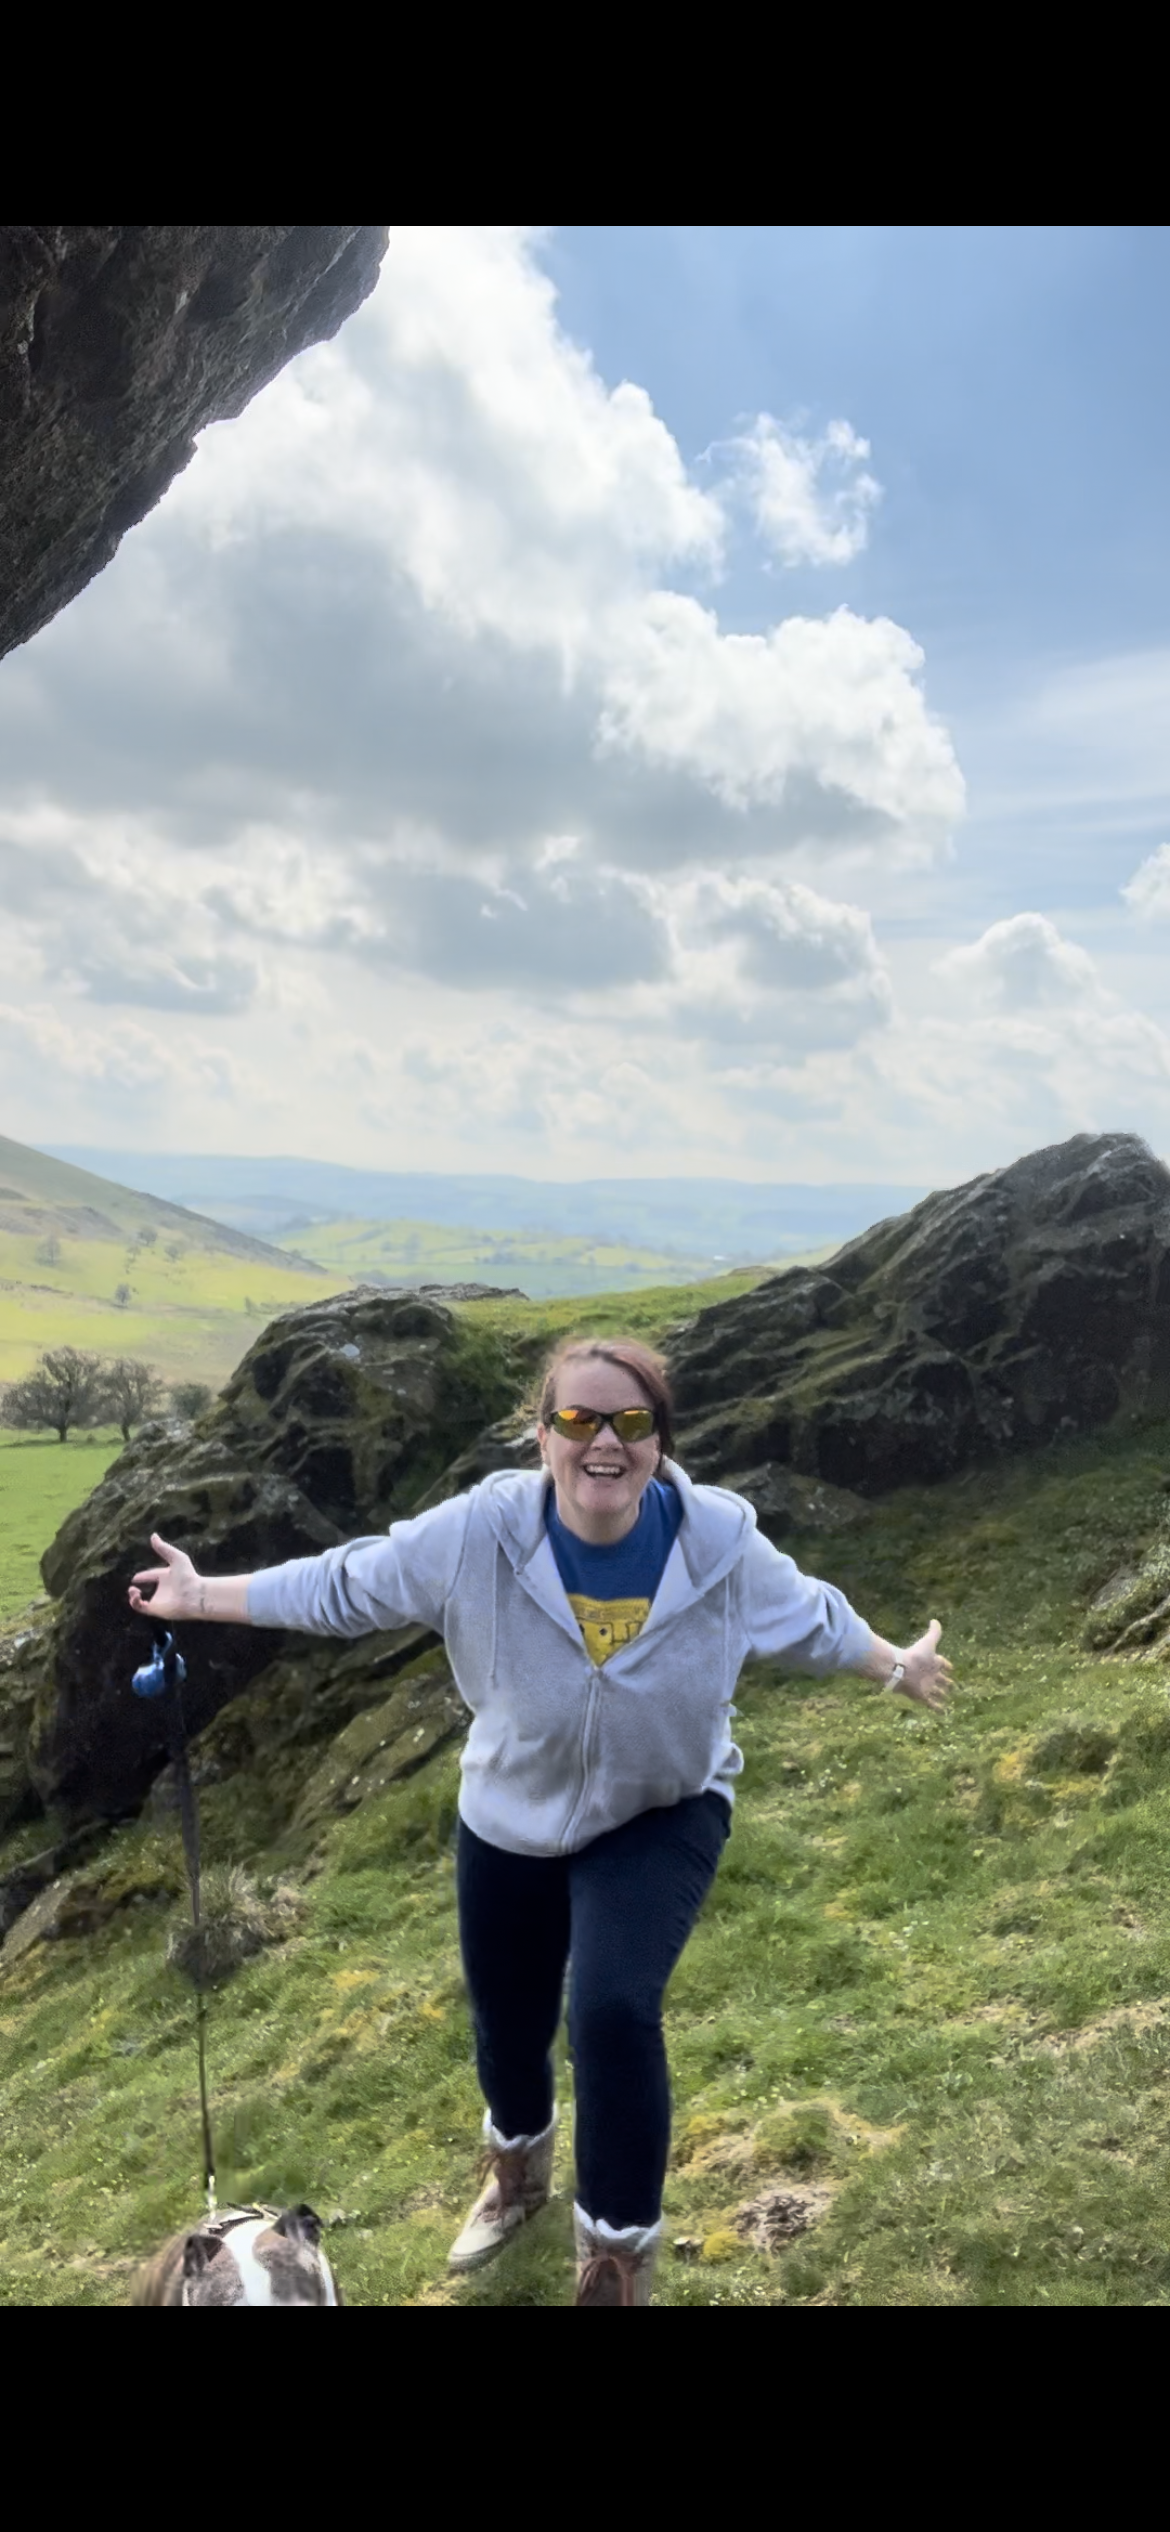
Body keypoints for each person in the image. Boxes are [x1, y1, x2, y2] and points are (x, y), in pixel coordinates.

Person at [129, 1333, 951, 2308]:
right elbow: (350, 1584)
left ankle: (614, 2259)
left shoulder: (718, 1543)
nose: (606, 1441)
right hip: (509, 1818)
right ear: (542, 1434)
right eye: (579, 1419)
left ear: (658, 1439)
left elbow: (808, 1616)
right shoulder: (480, 1533)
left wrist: (898, 1665)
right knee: (509, 2023)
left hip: (662, 1812)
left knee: (609, 2011)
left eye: (632, 1422)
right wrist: (199, 1597)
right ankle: (516, 2175)